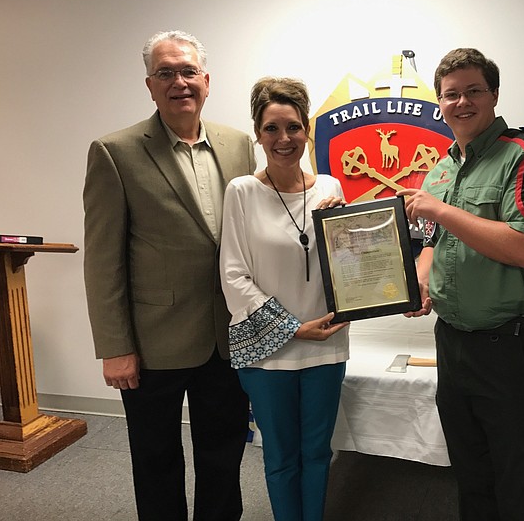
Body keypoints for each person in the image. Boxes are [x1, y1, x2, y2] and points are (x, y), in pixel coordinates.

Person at [83, 30, 256, 520]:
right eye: (165, 73)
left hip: (227, 334)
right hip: (152, 340)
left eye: (187, 72)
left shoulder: (239, 144)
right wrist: (115, 347)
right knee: (156, 458)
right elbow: (102, 260)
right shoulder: (114, 152)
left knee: (223, 454)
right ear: (150, 85)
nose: (178, 82)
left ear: (206, 80)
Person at [398, 48, 524, 520]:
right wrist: (420, 281)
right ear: (440, 103)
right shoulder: (444, 165)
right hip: (455, 346)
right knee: (471, 473)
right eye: (451, 94)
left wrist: (439, 209)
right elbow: (434, 244)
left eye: (474, 91)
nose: (463, 102)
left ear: (493, 94)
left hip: (515, 348)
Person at [220, 77, 349, 521]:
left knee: (317, 452)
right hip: (269, 351)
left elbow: (349, 266)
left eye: (292, 127)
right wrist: (293, 328)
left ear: (306, 130)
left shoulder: (330, 189)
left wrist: (344, 232)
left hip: (327, 345)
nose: (283, 139)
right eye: (271, 128)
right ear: (257, 133)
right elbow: (233, 275)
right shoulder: (242, 191)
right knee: (280, 457)